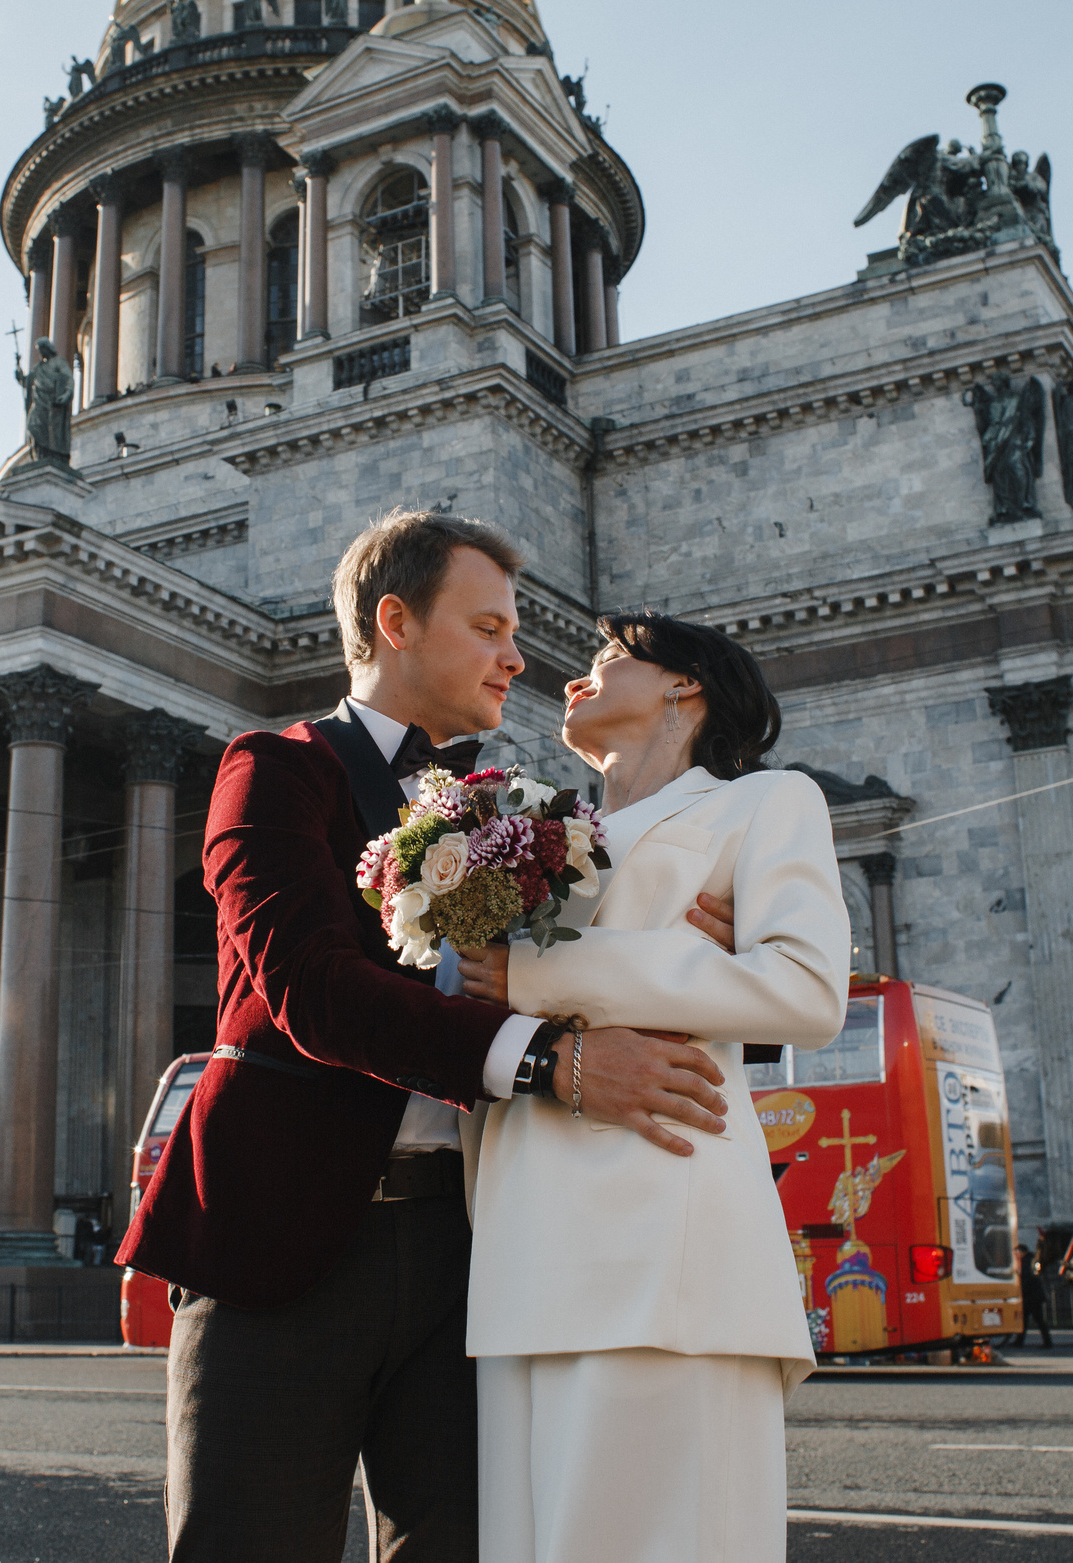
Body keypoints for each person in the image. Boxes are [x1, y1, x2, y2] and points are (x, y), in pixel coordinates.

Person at [116, 512, 733, 1563]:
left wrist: (684, 934)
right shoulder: (274, 768)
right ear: (394, 622)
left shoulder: (520, 812)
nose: (516, 658)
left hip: (472, 1250)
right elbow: (312, 990)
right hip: (282, 1244)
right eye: (488, 628)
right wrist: (551, 1063)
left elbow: (577, 974)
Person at [454, 609, 849, 1563]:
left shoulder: (765, 802)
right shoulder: (537, 834)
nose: (574, 677)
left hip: (665, 1246)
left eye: (607, 658)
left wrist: (541, 974)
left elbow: (805, 988)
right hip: (519, 1249)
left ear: (685, 683)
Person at [1014, 1243, 1053, 1348]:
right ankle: (1019, 1341)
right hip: (1032, 1296)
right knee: (1026, 1320)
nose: (1015, 1255)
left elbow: (1027, 1278)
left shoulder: (1028, 1261)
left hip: (1032, 1296)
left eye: (1016, 1253)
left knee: (1037, 1320)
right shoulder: (1030, 1260)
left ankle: (1047, 1342)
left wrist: (1021, 1288)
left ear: (1021, 1252)